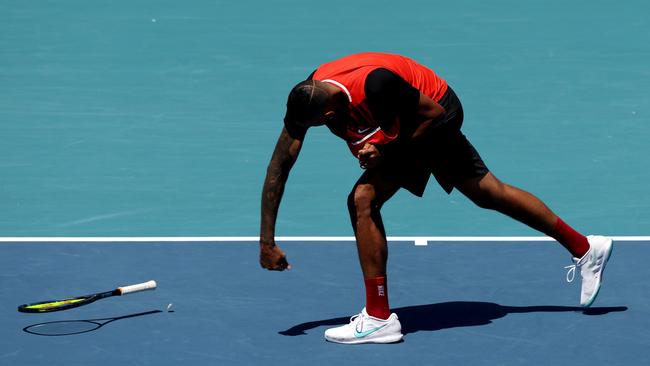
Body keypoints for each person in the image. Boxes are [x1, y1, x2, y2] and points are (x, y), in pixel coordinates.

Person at [258, 52, 613, 344]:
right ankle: (585, 246)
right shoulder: (310, 93)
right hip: (405, 114)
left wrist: (381, 148)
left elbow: (434, 115)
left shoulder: (375, 85)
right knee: (488, 192)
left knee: (363, 198)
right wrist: (267, 240)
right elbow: (280, 164)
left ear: (330, 115)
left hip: (436, 111)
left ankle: (379, 317)